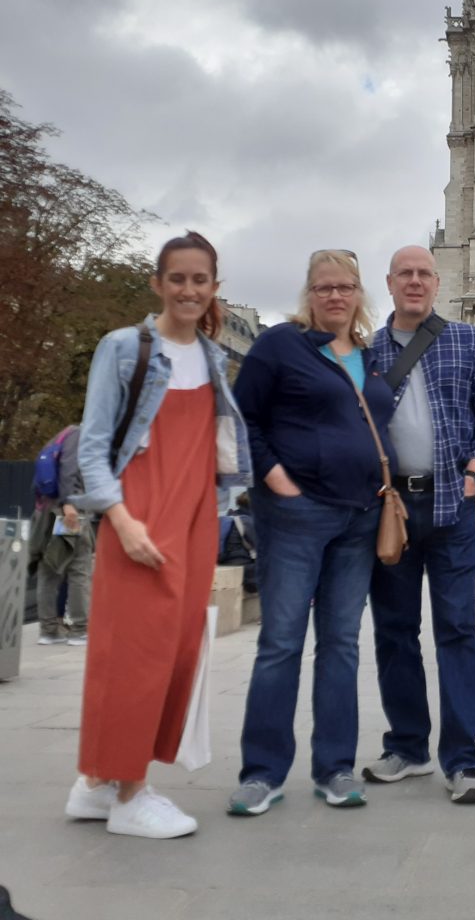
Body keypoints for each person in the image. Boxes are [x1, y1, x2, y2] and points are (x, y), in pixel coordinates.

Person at [66, 232, 250, 839]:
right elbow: (93, 446)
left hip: (196, 515)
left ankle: (97, 782)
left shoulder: (213, 355)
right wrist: (120, 518)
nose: (190, 290)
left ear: (214, 287)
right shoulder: (123, 348)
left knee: (176, 654)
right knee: (134, 655)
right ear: (158, 283)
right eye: (178, 278)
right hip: (141, 514)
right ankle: (130, 794)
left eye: (201, 280)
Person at [228, 250, 395, 816]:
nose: (335, 296)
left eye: (345, 286)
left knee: (342, 646)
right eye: (324, 287)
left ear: (358, 293)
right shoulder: (281, 345)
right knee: (280, 643)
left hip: (359, 517)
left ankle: (335, 768)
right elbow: (240, 416)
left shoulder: (368, 357)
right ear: (309, 292)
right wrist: (276, 477)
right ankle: (262, 772)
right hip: (296, 515)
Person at [364, 245, 475, 805]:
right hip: (392, 509)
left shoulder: (467, 339)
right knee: (394, 632)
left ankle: (464, 760)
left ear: (437, 282)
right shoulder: (368, 350)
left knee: (458, 631)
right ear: (391, 283)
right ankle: (408, 746)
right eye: (405, 274)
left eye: (424, 274)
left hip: (451, 506)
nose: (415, 282)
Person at [29, 425, 94, 646]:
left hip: (45, 509)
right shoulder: (79, 435)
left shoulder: (62, 435)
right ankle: (80, 630)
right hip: (69, 511)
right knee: (79, 567)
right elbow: (68, 469)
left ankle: (48, 631)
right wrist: (69, 505)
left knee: (49, 569)